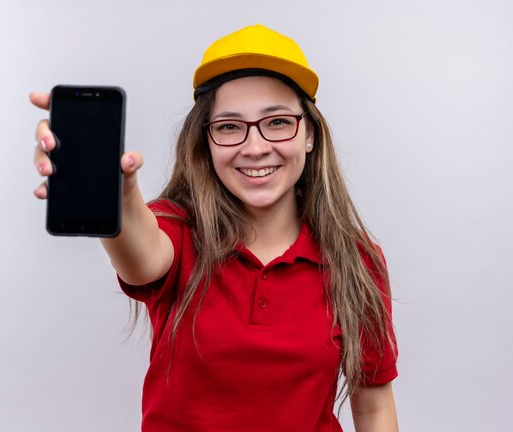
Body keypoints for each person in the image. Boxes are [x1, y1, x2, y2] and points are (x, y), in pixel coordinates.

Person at [31, 24, 399, 432]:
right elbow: (143, 257)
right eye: (229, 126)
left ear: (309, 134)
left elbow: (374, 409)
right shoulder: (178, 230)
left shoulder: (356, 258)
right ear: (205, 141)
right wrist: (116, 193)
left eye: (277, 122)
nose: (255, 147)